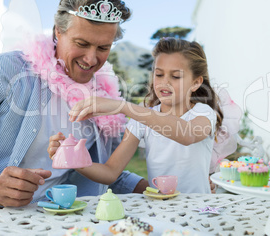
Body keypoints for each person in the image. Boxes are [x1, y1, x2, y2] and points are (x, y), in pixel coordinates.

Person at [0, 0, 148, 220]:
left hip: (56, 218)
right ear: (57, 32)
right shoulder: (4, 70)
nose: (92, 59)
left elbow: (109, 170)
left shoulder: (105, 99)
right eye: (82, 44)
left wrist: (158, 190)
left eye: (103, 47)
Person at [48, 38, 224, 193]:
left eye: (176, 76)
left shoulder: (203, 112)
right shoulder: (141, 119)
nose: (165, 82)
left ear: (196, 83)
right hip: (161, 211)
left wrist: (124, 107)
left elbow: (187, 134)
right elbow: (110, 172)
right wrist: (71, 159)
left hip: (198, 210)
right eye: (159, 74)